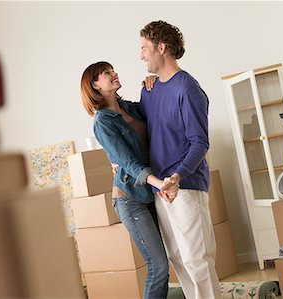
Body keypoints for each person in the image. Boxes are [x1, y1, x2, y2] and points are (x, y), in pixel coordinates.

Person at [80, 61, 179, 299]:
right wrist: (159, 183)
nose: (114, 74)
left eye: (113, 70)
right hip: (130, 200)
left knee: (164, 263)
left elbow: (155, 111)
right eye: (107, 73)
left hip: (149, 193)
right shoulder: (103, 122)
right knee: (158, 265)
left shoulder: (129, 108)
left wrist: (149, 86)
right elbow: (129, 164)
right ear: (94, 85)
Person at [139, 20, 222, 299]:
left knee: (197, 261)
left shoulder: (188, 89)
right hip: (160, 188)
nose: (141, 56)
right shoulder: (149, 90)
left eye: (144, 48)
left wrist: (177, 177)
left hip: (184, 185)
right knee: (178, 258)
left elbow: (200, 143)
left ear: (161, 48)